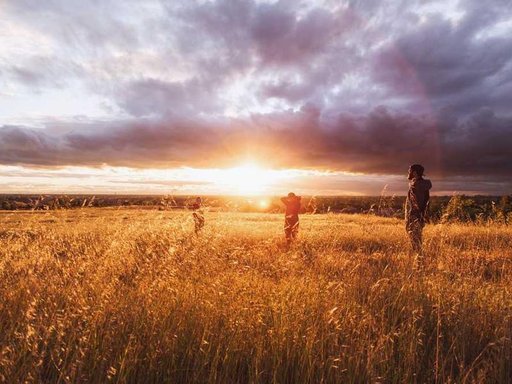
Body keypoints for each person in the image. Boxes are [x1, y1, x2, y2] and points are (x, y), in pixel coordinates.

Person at [405, 164, 432, 256]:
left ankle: (419, 260)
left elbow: (419, 204)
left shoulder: (417, 186)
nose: (408, 172)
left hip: (415, 216)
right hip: (418, 216)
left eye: (410, 170)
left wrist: (415, 217)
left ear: (415, 172)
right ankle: (419, 258)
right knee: (416, 239)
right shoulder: (420, 185)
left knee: (415, 240)